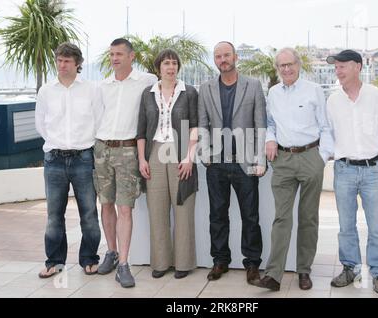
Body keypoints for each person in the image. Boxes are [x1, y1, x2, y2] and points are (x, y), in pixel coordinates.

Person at [255, 47, 333, 291]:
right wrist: (269, 138)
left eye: (290, 64)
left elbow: (326, 127)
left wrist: (322, 157)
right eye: (282, 66)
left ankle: (304, 271)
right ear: (277, 69)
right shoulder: (274, 92)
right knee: (282, 218)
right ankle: (273, 275)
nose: (286, 69)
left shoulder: (314, 91)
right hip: (283, 160)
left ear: (298, 65)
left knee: (308, 218)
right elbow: (270, 123)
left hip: (310, 156)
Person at [326, 50, 378, 294]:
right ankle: (349, 268)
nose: (338, 70)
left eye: (342, 65)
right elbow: (329, 134)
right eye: (336, 66)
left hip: (372, 171)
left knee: (376, 226)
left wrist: (372, 150)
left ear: (358, 66)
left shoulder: (377, 96)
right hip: (343, 170)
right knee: (346, 225)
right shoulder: (333, 101)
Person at [198, 41, 267, 285]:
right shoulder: (205, 88)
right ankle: (220, 261)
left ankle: (252, 264)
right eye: (218, 56)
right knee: (217, 215)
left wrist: (260, 159)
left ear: (235, 57)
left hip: (245, 163)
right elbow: (203, 124)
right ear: (214, 60)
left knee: (251, 216)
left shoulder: (253, 85)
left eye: (226, 55)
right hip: (216, 164)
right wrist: (204, 154)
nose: (222, 59)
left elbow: (260, 125)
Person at [94, 38, 157, 288]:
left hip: (129, 150)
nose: (114, 58)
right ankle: (110, 252)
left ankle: (123, 264)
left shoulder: (146, 81)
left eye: (119, 54)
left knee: (125, 208)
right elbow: (97, 116)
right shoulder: (103, 85)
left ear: (132, 56)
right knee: (106, 203)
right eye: (111, 54)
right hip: (102, 148)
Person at [35, 42, 101, 278]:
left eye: (66, 61)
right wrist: (58, 142)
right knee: (54, 215)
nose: (61, 65)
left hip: (84, 158)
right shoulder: (46, 91)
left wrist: (82, 145)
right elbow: (40, 124)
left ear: (77, 64)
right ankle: (54, 262)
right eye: (59, 60)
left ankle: (89, 259)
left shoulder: (91, 89)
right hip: (53, 159)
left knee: (89, 214)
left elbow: (98, 121)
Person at [137, 49, 198, 279]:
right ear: (158, 68)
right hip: (154, 153)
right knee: (157, 210)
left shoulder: (189, 92)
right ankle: (160, 262)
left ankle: (183, 263)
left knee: (183, 209)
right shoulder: (147, 94)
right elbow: (141, 130)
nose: (170, 67)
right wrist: (142, 159)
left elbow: (195, 126)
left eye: (174, 63)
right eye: (166, 63)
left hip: (180, 152)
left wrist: (189, 156)